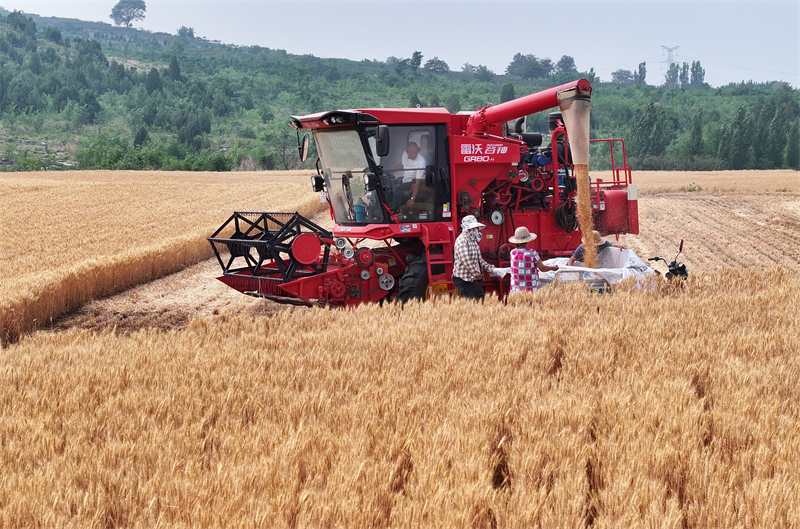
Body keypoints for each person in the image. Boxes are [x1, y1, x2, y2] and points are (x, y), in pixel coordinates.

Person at [452, 215, 498, 300]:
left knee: (481, 300)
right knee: (471, 304)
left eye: (476, 228)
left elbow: (479, 260)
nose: (476, 230)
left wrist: (491, 268)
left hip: (473, 279)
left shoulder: (473, 241)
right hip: (464, 280)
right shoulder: (462, 240)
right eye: (474, 228)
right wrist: (476, 274)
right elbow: (466, 260)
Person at [508, 226, 558, 293]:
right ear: (528, 241)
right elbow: (542, 268)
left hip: (516, 290)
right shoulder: (532, 253)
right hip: (531, 290)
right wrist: (553, 268)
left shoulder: (512, 252)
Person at [391, 142, 427, 208]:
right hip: (405, 179)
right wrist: (391, 170)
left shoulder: (421, 162)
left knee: (396, 188)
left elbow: (418, 182)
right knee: (389, 184)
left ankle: (394, 209)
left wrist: (412, 199)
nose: (414, 155)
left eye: (415, 153)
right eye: (411, 153)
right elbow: (403, 164)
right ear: (407, 152)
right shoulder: (404, 154)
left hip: (412, 182)